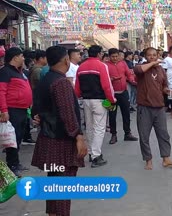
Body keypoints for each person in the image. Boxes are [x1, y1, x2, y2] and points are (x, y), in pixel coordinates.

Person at [31, 46, 88, 216]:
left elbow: (37, 108)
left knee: (54, 180)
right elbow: (67, 113)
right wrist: (78, 136)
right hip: (61, 142)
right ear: (66, 60)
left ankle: (53, 213)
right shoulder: (61, 82)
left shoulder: (46, 79)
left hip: (48, 139)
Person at [134, 47, 172, 170]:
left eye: (154, 55)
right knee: (144, 136)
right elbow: (139, 70)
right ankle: (148, 160)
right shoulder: (140, 67)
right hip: (144, 107)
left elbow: (163, 86)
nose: (152, 57)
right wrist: (152, 63)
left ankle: (166, 158)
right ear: (145, 56)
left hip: (159, 107)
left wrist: (167, 90)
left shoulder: (161, 70)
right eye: (150, 55)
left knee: (163, 134)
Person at [75, 45, 116, 168]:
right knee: (99, 128)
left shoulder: (81, 67)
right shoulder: (101, 66)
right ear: (99, 54)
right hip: (99, 101)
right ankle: (96, 156)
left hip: (86, 100)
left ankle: (92, 152)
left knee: (90, 127)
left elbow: (77, 87)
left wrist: (77, 97)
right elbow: (107, 85)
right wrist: (112, 99)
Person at [0, 47, 33, 176]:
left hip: (22, 109)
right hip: (12, 110)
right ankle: (12, 164)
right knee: (12, 138)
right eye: (21, 56)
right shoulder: (5, 72)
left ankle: (16, 162)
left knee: (18, 136)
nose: (23, 58)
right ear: (15, 58)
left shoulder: (19, 72)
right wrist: (4, 110)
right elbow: (1, 92)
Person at [106, 48, 138, 144]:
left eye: (117, 56)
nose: (115, 58)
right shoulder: (106, 66)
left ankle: (127, 133)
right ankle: (113, 135)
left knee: (126, 114)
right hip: (111, 95)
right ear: (109, 57)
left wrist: (132, 79)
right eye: (113, 56)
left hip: (124, 93)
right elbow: (104, 79)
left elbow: (129, 74)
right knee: (112, 115)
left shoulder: (123, 63)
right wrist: (111, 79)